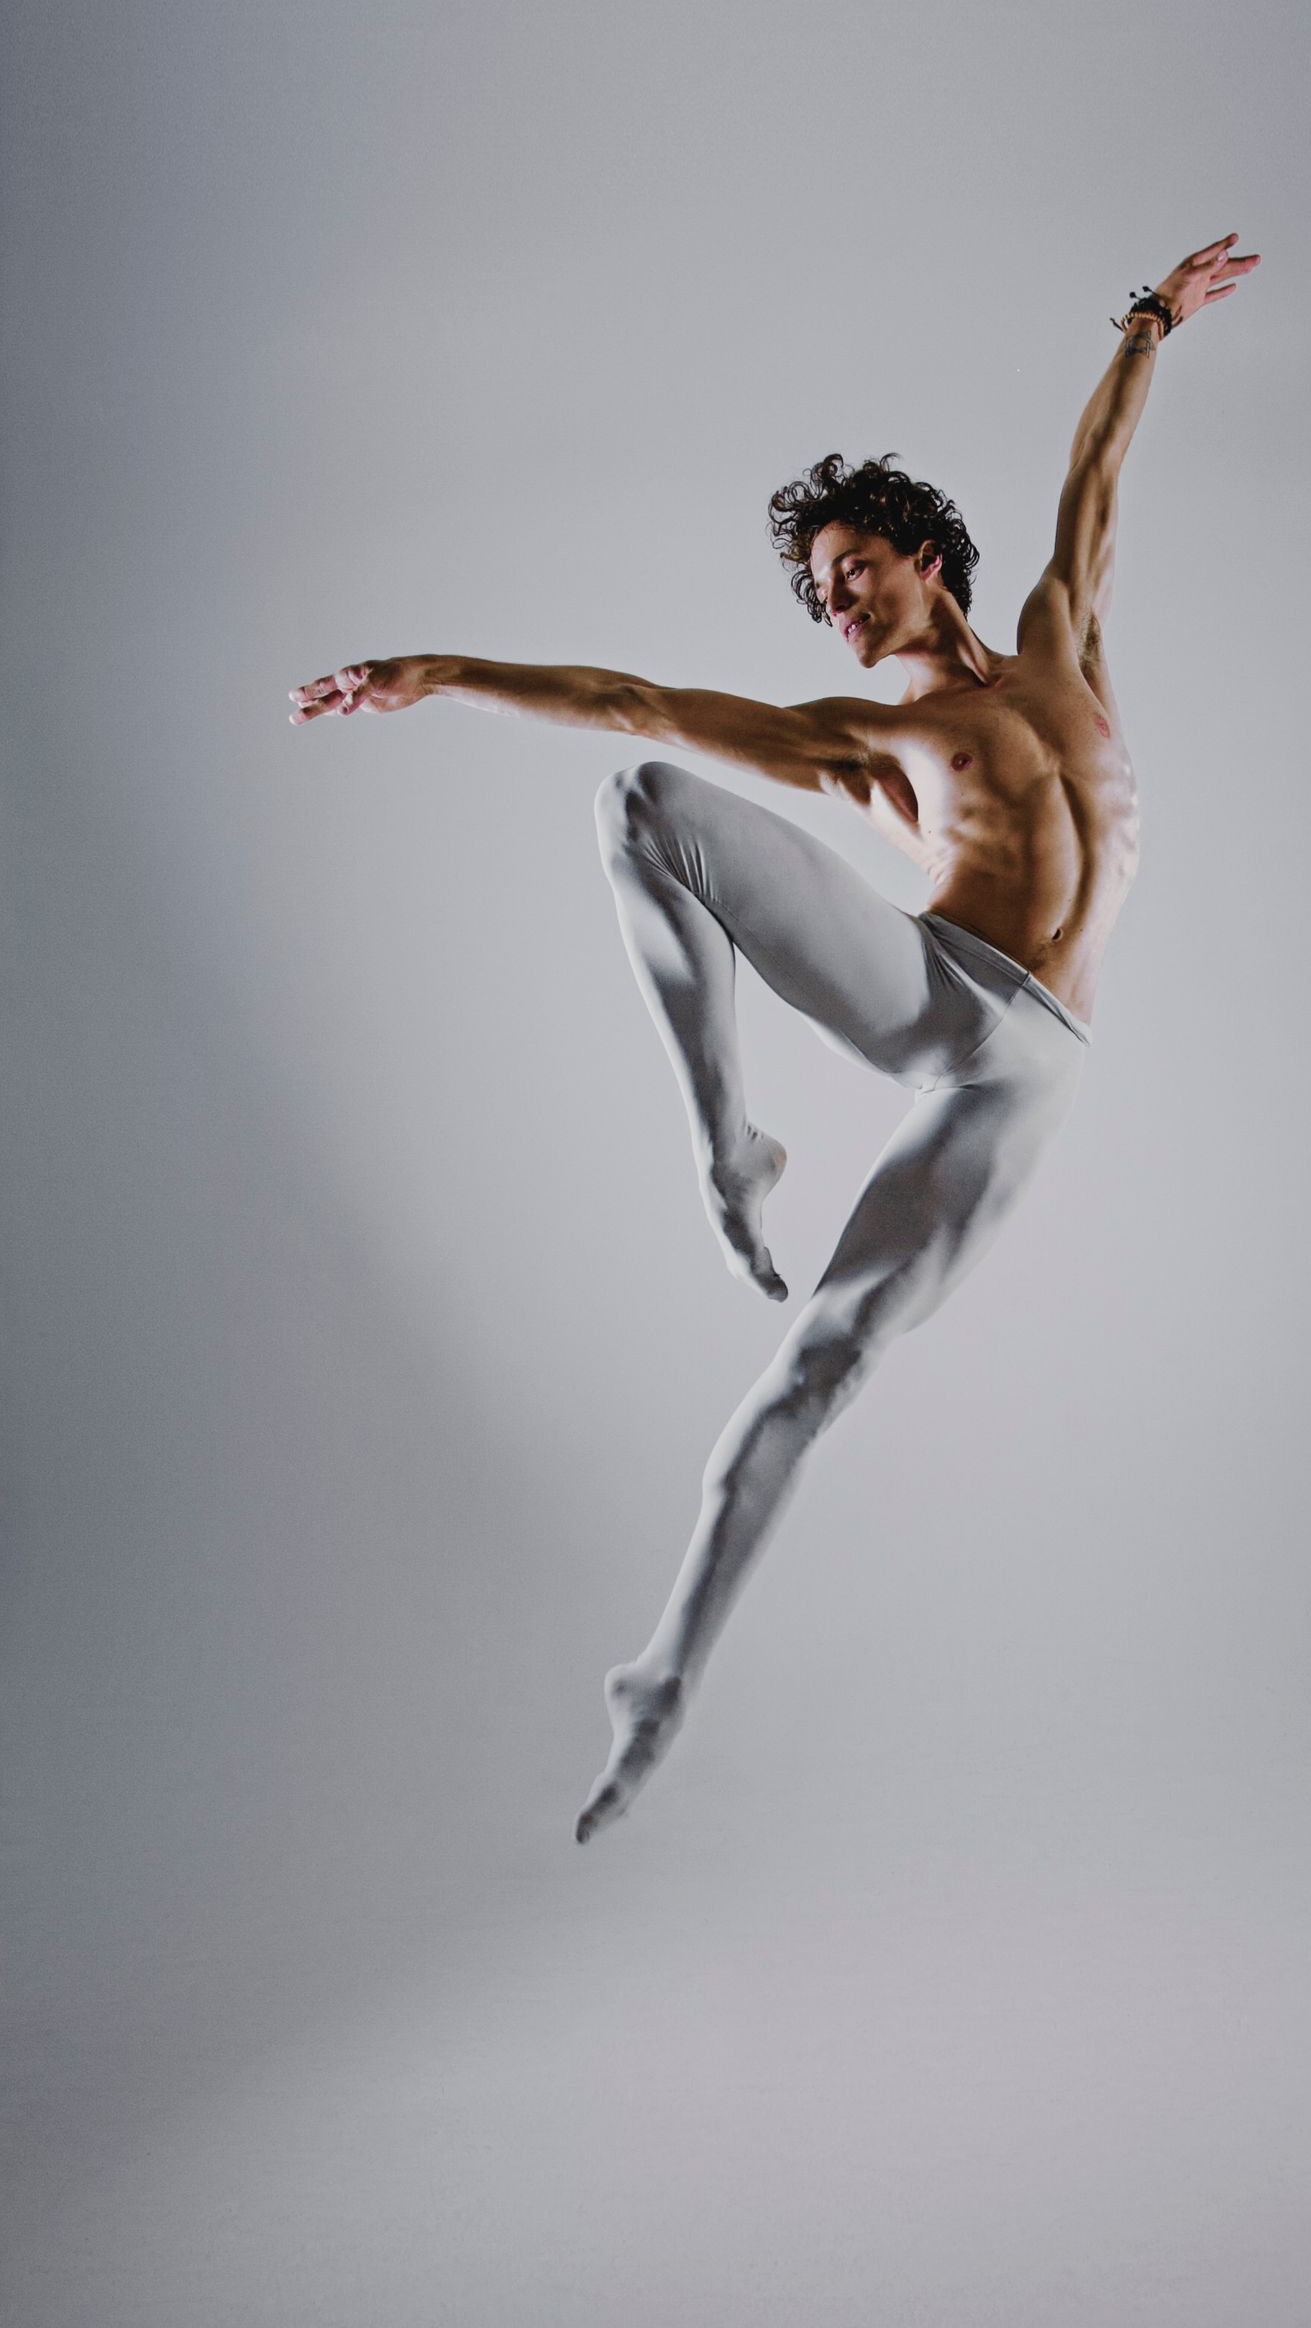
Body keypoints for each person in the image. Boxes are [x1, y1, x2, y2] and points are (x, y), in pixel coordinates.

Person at [290, 232, 1259, 1840]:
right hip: (933, 991)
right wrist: (439, 671)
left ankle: (660, 1678)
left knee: (822, 1365)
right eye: (815, 596)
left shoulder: (1059, 640)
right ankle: (725, 1138)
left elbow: (1095, 473)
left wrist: (1149, 325)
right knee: (645, 798)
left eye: (847, 570)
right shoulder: (864, 739)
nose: (832, 605)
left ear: (918, 551)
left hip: (1032, 1076)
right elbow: (632, 704)